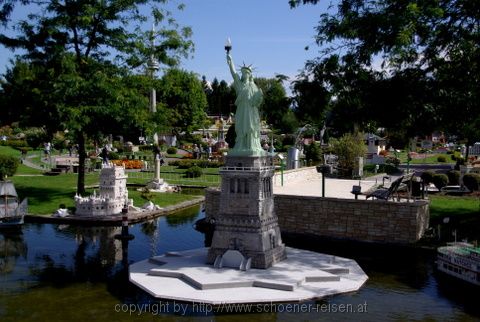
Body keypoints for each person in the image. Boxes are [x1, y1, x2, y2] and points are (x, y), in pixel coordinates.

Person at [226, 52, 264, 156]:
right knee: (240, 127)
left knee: (250, 127)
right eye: (243, 72)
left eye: (246, 73)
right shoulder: (239, 84)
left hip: (251, 111)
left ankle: (251, 145)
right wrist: (230, 61)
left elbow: (257, 101)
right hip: (241, 109)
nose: (244, 74)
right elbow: (234, 73)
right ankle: (241, 145)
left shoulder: (253, 86)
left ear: (250, 74)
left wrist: (260, 96)